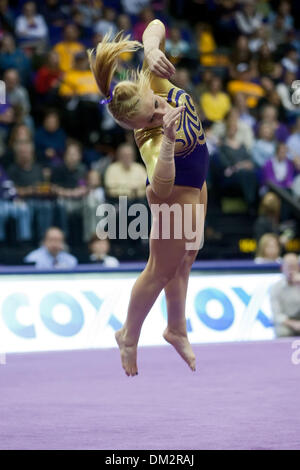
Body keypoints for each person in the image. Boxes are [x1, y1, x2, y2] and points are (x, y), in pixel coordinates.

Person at [88, 20, 209, 376]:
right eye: (150, 117)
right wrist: (168, 139)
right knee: (160, 270)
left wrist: (153, 49)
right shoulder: (150, 140)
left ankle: (176, 328)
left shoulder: (152, 82)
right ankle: (128, 334)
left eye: (155, 104)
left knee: (186, 259)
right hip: (174, 197)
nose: (159, 111)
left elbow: (155, 25)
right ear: (136, 127)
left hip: (197, 184)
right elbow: (159, 188)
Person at [270, 253, 300, 337]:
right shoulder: (275, 288)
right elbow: (277, 315)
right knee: (282, 331)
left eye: (294, 267)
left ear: (298, 267)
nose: (291, 271)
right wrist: (294, 324)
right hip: (288, 322)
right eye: (289, 267)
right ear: (282, 268)